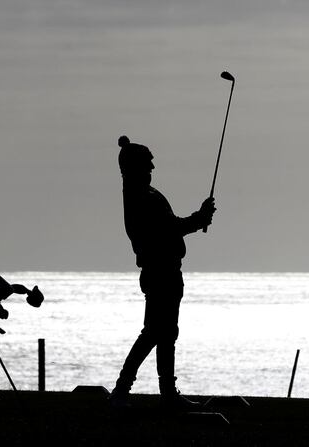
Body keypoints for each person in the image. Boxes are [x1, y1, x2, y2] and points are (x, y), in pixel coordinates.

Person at [109, 135, 216, 410]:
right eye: (147, 164)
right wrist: (199, 218)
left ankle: (166, 393)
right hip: (159, 272)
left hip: (166, 270)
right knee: (155, 333)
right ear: (135, 167)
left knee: (166, 333)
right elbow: (170, 228)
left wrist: (197, 218)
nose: (152, 169)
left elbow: (170, 226)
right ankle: (123, 389)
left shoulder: (144, 194)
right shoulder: (142, 197)